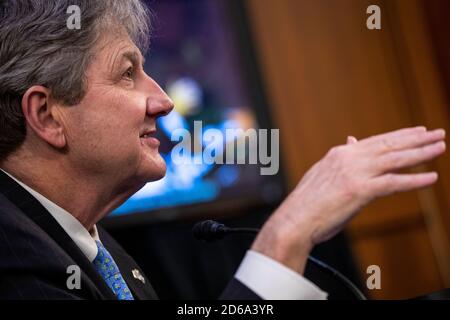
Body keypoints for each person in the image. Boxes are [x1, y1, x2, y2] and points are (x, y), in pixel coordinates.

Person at [0, 0, 446, 300]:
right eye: (127, 74)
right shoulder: (16, 263)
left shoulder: (91, 243)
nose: (163, 101)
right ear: (47, 115)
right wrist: (287, 233)